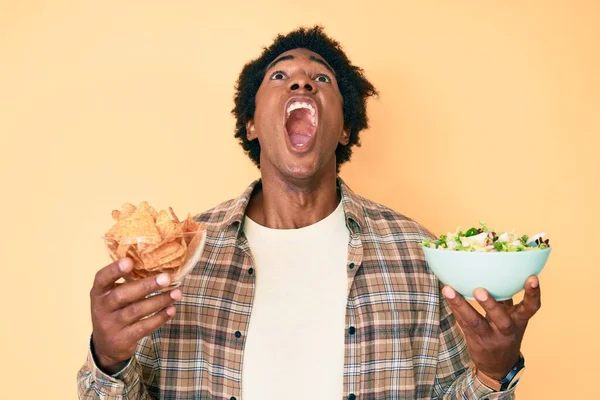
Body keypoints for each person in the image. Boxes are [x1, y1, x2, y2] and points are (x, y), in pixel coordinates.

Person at [77, 26, 541, 400]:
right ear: (252, 123)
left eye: (322, 79)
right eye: (280, 77)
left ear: (344, 128)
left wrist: (493, 374)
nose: (301, 82)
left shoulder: (418, 255)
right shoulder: (183, 256)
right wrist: (109, 359)